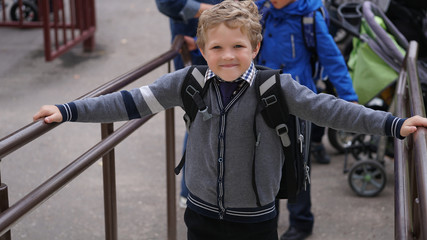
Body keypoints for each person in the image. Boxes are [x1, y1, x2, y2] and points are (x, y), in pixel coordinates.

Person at [33, 1, 427, 239]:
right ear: (201, 48)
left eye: (238, 46)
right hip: (201, 212)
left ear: (255, 46)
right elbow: (129, 102)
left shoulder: (278, 87)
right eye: (216, 47)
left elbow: (330, 108)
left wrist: (391, 125)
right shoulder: (188, 81)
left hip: (255, 219)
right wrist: (68, 110)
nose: (227, 56)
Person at [254, 0, 358, 239]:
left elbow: (331, 57)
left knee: (295, 164)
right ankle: (266, 218)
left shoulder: (309, 16)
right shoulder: (260, 11)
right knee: (264, 163)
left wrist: (349, 98)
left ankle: (301, 222)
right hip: (261, 99)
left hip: (296, 104)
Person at [155, 0, 222, 207]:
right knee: (201, 120)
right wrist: (222, 13)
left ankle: (216, 192)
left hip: (236, 48)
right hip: (197, 53)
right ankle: (193, 192)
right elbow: (168, 3)